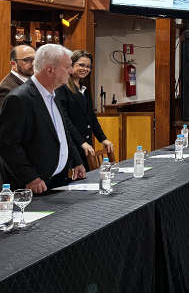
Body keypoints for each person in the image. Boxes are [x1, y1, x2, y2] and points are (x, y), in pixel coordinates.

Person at [0, 44, 85, 192]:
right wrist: (30, 178)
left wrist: (76, 161)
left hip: (57, 180)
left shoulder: (54, 93)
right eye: (67, 66)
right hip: (34, 186)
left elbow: (62, 132)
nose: (71, 71)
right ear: (50, 70)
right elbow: (8, 145)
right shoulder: (19, 98)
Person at [55, 50, 113, 169]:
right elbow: (65, 119)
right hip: (71, 145)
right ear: (70, 65)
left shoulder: (84, 88)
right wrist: (81, 142)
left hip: (86, 145)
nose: (85, 69)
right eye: (81, 65)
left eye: (88, 66)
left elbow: (91, 117)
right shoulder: (62, 88)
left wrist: (103, 139)